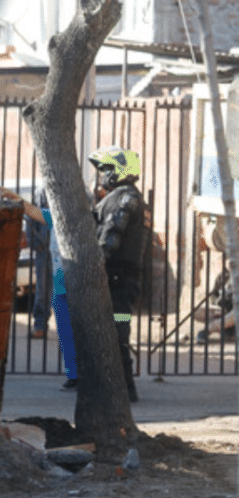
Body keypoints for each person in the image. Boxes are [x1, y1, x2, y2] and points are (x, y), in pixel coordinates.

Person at [0, 187, 79, 389]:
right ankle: (74, 374)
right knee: (65, 332)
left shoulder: (77, 219)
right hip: (61, 285)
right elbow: (34, 212)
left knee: (77, 332)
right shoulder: (55, 217)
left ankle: (80, 372)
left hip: (74, 284)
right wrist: (15, 198)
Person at [90, 146, 152, 403]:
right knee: (115, 330)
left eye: (106, 170)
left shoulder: (126, 199)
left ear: (120, 171)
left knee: (118, 331)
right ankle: (123, 388)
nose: (102, 175)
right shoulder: (124, 197)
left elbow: (112, 234)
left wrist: (97, 265)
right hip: (122, 277)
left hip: (119, 278)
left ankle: (125, 390)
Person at [28, 187, 53, 339]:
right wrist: (34, 242)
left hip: (61, 250)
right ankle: (39, 325)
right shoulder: (39, 192)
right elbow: (31, 217)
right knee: (42, 288)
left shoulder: (66, 187)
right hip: (43, 249)